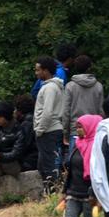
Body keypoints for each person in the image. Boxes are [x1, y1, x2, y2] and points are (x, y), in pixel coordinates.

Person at [58, 114, 102, 217]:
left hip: (89, 197)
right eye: (76, 126)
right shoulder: (77, 144)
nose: (77, 129)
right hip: (73, 194)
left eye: (80, 126)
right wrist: (64, 192)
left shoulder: (96, 148)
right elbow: (70, 170)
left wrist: (97, 197)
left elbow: (99, 175)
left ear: (90, 127)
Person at [62, 54, 104, 157]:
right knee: (92, 162)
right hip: (93, 131)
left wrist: (65, 132)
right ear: (89, 68)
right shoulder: (98, 86)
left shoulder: (70, 86)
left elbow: (66, 111)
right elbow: (101, 111)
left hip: (76, 129)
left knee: (74, 161)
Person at [33, 56, 64, 184]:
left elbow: (47, 111)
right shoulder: (49, 87)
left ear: (46, 71)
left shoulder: (50, 88)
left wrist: (40, 129)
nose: (36, 73)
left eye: (38, 70)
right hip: (48, 130)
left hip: (48, 131)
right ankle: (49, 191)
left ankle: (52, 192)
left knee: (49, 165)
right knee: (44, 164)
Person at [14, 94, 38, 171]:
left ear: (19, 111)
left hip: (28, 161)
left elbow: (24, 145)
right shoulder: (34, 119)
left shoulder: (26, 124)